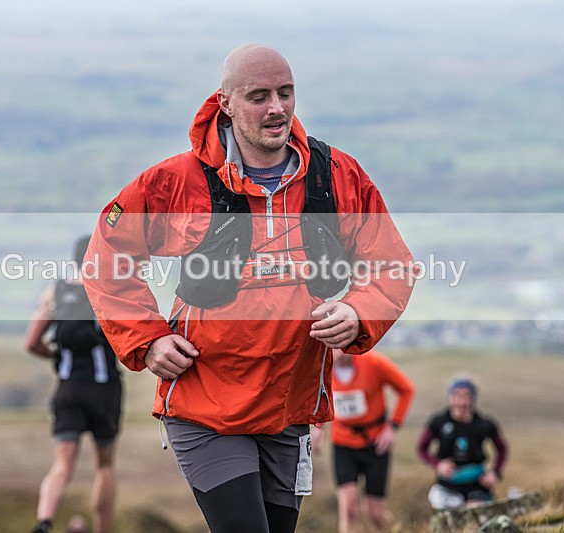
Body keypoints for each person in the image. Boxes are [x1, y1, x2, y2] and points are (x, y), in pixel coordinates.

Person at [83, 44, 415, 533]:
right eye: (259, 96)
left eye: (285, 93)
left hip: (289, 407)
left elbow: (392, 264)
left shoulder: (335, 175)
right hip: (204, 403)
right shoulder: (178, 181)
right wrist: (147, 337)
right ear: (226, 103)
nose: (277, 107)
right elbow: (106, 255)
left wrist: (359, 312)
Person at [26, 235, 122, 533]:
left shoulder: (55, 291)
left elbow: (32, 343)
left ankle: (44, 521)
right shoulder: (111, 290)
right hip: (104, 388)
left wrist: (56, 357)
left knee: (62, 464)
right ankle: (102, 528)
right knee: (104, 465)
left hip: (68, 388)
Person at [319, 349, 414, 532]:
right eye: (333, 346)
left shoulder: (374, 362)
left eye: (343, 344)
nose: (339, 352)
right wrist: (317, 428)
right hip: (343, 443)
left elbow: (406, 389)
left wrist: (392, 427)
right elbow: (315, 398)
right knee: (348, 509)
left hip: (376, 444)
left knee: (374, 512)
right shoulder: (322, 367)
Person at [416, 377, 508, 510]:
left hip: (477, 485)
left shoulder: (485, 424)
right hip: (447, 485)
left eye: (466, 396)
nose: (461, 401)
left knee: (474, 516)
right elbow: (421, 448)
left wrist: (495, 473)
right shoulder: (438, 422)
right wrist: (438, 464)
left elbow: (502, 449)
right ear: (450, 398)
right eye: (456, 395)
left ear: (473, 399)